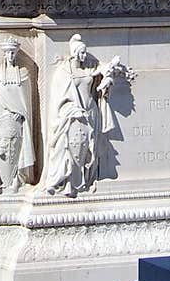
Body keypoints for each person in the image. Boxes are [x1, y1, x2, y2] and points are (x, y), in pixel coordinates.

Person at [45, 34, 123, 197]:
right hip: (72, 115)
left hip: (90, 112)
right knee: (70, 148)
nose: (84, 56)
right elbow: (58, 99)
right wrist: (70, 110)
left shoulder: (89, 68)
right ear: (73, 53)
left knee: (90, 149)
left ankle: (87, 179)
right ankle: (69, 184)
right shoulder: (63, 72)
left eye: (85, 52)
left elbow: (104, 70)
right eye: (81, 53)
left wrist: (107, 80)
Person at [0, 37, 36, 193]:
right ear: (4, 54)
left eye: (13, 53)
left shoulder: (23, 73)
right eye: (8, 53)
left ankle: (15, 180)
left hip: (15, 118)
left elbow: (25, 102)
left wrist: (22, 114)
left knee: (14, 149)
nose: (11, 56)